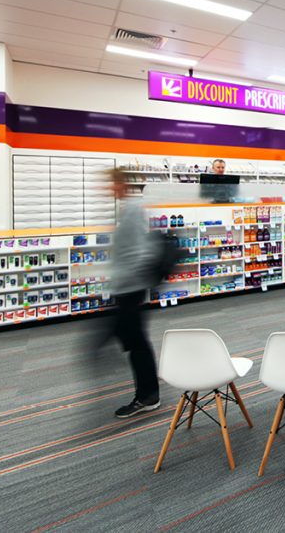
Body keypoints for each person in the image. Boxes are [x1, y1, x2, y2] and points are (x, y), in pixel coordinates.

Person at [106, 167, 160, 418]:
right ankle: (147, 393)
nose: (108, 188)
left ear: (121, 184)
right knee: (133, 339)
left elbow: (140, 251)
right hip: (126, 287)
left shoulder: (133, 210)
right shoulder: (126, 209)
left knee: (137, 342)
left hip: (132, 288)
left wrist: (129, 282)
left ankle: (148, 396)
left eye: (111, 183)